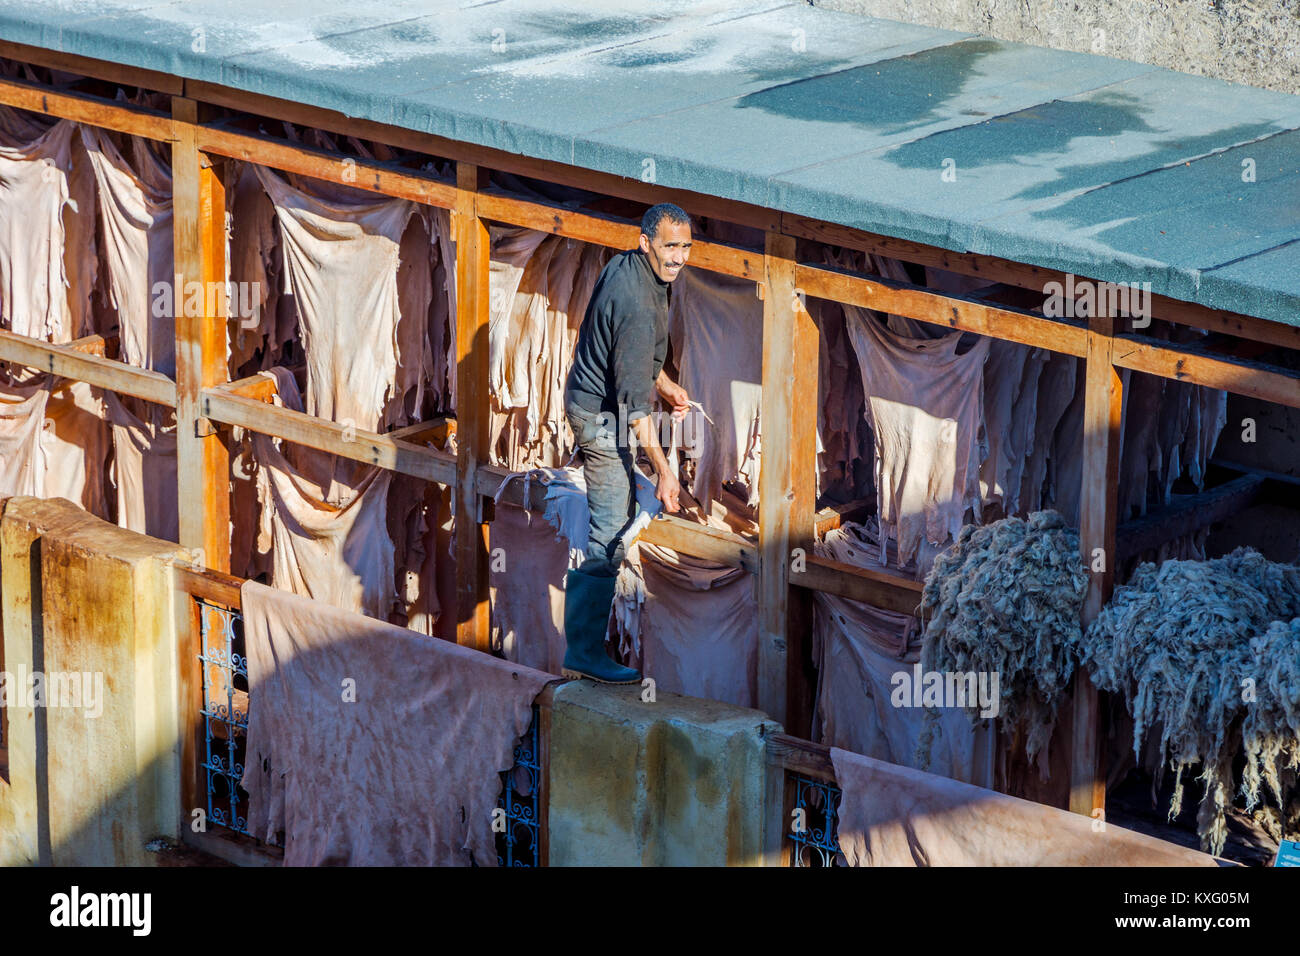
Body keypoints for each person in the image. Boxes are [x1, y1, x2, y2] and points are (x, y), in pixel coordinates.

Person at [560, 203, 692, 683]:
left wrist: (665, 384)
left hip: (597, 396)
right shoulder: (637, 302)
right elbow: (634, 411)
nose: (677, 257)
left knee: (616, 512)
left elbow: (629, 360)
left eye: (685, 246)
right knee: (611, 528)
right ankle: (584, 654)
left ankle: (584, 649)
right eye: (669, 246)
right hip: (600, 415)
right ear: (646, 242)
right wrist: (663, 470)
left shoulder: (629, 266)